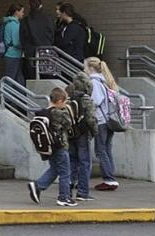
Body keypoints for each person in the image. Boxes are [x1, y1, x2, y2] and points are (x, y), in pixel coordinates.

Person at [27, 87, 78, 207]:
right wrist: (67, 110)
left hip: (51, 147)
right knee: (65, 172)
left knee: (55, 169)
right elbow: (69, 124)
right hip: (60, 146)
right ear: (60, 101)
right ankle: (64, 197)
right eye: (65, 102)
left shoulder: (44, 112)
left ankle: (38, 186)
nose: (65, 104)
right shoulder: (59, 112)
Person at [85, 56, 121, 191]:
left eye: (85, 67)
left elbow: (96, 101)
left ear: (90, 68)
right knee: (106, 150)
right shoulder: (105, 81)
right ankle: (110, 177)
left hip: (100, 120)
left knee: (100, 151)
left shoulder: (94, 82)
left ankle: (109, 179)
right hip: (110, 120)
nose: (84, 69)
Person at [67, 72, 98, 202]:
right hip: (83, 134)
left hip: (70, 134)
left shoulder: (68, 98)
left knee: (72, 162)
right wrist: (94, 132)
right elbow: (91, 119)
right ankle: (83, 192)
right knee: (85, 163)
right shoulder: (86, 99)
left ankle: (66, 191)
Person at [20, 0, 55, 79]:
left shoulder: (25, 21)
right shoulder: (48, 19)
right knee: (47, 74)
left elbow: (22, 38)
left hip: (31, 51)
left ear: (29, 6)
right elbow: (52, 34)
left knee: (32, 76)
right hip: (46, 50)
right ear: (41, 6)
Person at [1, 4, 25, 85]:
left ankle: (20, 96)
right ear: (16, 12)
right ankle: (2, 95)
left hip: (11, 54)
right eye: (22, 11)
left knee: (18, 78)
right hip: (13, 55)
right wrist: (24, 47)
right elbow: (16, 42)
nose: (23, 13)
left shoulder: (8, 23)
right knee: (11, 79)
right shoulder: (14, 25)